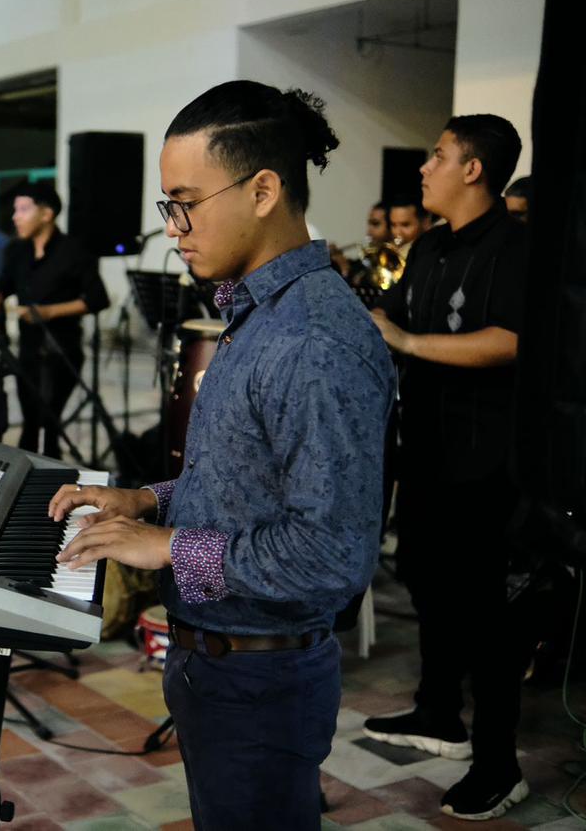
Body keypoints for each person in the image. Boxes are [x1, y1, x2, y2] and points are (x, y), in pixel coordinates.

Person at [49, 80, 394, 829]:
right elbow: (242, 484)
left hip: (262, 676)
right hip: (221, 666)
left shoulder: (312, 340)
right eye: (167, 207)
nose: (173, 227)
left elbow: (331, 554)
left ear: (263, 189)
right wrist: (146, 502)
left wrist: (169, 547)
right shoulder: (260, 316)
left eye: (185, 202)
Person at [366, 114, 529, 820]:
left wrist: (404, 339)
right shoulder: (429, 246)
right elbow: (388, 321)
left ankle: (500, 764)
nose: (424, 168)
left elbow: (509, 341)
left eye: (437, 155)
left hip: (486, 461)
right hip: (425, 451)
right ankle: (438, 713)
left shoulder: (519, 246)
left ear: (473, 169)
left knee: (487, 615)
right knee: (426, 578)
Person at [0, 183, 108, 459]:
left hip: (61, 351)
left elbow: (97, 299)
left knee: (49, 423)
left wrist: (48, 312)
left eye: (23, 209)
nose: (15, 216)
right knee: (30, 423)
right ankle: (23, 480)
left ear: (47, 214)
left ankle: (52, 479)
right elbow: (0, 288)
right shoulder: (16, 251)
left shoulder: (74, 251)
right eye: (15, 210)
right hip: (28, 352)